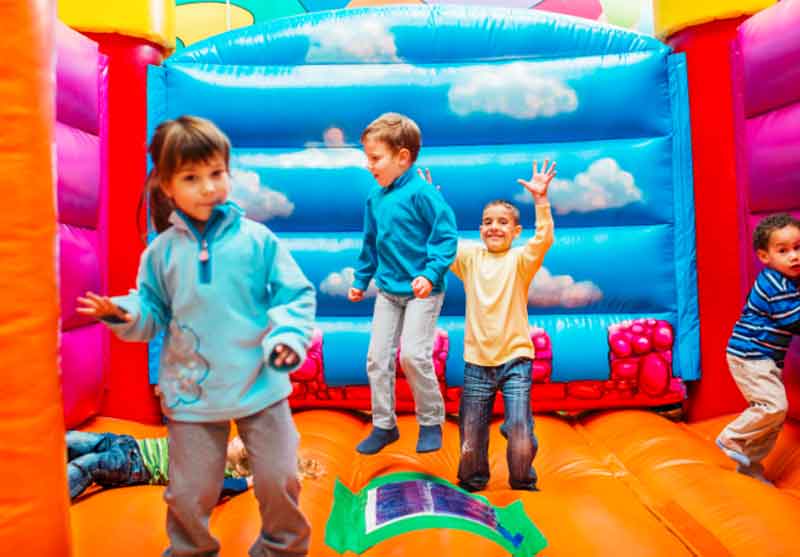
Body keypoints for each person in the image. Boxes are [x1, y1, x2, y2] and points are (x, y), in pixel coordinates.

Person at [76, 115, 316, 557]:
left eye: (216, 174)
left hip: (259, 384)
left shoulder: (256, 242)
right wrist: (119, 311)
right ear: (168, 186)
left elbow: (295, 293)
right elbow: (149, 312)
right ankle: (191, 550)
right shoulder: (161, 255)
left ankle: (281, 548)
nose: (208, 187)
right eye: (192, 178)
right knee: (188, 493)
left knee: (279, 478)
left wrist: (288, 336)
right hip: (192, 393)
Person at [348, 113, 458, 455]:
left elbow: (446, 236)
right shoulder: (375, 197)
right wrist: (361, 279)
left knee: (412, 354)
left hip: (422, 292)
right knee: (376, 359)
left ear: (403, 157)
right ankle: (384, 425)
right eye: (367, 157)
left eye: (375, 158)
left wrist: (430, 273)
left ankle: (430, 421)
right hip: (387, 291)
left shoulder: (422, 194)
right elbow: (371, 241)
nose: (370, 165)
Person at [450, 160, 556, 492]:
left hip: (515, 360)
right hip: (477, 362)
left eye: (502, 222)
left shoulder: (520, 261)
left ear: (515, 231)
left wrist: (541, 201)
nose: (494, 227)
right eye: (487, 222)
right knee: (470, 436)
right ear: (480, 229)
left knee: (521, 431)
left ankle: (523, 481)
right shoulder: (468, 259)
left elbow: (544, 240)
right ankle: (473, 479)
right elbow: (439, 242)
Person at [717, 212, 800, 485]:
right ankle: (733, 437)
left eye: (798, 248)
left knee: (773, 419)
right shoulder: (773, 284)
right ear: (765, 257)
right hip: (750, 355)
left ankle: (749, 467)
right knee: (773, 406)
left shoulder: (790, 281)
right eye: (783, 251)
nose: (794, 256)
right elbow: (794, 320)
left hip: (766, 358)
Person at [66, 431, 253, 500]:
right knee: (74, 439)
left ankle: (50, 500)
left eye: (237, 443)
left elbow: (221, 488)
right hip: (129, 443)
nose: (232, 440)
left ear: (238, 466)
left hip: (134, 464)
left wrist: (249, 481)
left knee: (89, 465)